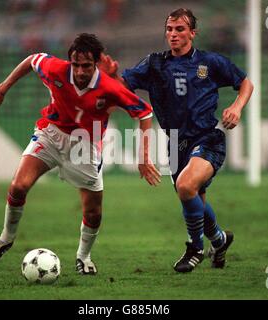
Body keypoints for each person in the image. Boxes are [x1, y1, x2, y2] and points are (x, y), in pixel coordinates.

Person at [0, 33, 161, 275]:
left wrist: (143, 157)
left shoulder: (109, 87)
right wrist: (2, 89)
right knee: (18, 186)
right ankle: (5, 238)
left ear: (96, 64)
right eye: (75, 65)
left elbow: (145, 113)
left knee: (93, 211)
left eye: (86, 66)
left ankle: (83, 256)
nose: (79, 71)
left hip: (84, 147)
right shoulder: (56, 69)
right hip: (51, 134)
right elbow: (31, 60)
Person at [99, 8, 254, 273]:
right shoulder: (154, 64)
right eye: (169, 29)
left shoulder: (209, 62)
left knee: (185, 186)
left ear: (192, 33)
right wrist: (110, 77)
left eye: (180, 29)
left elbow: (245, 83)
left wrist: (237, 108)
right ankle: (219, 240)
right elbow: (122, 88)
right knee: (194, 200)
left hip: (207, 139)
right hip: (175, 143)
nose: (173, 34)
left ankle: (195, 248)